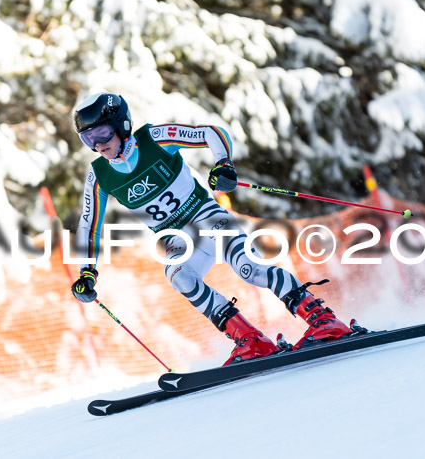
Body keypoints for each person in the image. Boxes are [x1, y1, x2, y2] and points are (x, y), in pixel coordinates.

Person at [70, 92, 356, 365]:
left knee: (250, 270)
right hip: (178, 240)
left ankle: (323, 319)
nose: (98, 144)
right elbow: (88, 223)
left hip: (207, 217)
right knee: (180, 276)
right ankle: (251, 340)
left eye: (102, 133)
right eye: (88, 138)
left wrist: (224, 164)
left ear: (121, 124)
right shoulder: (99, 176)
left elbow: (211, 133)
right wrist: (87, 270)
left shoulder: (154, 138)